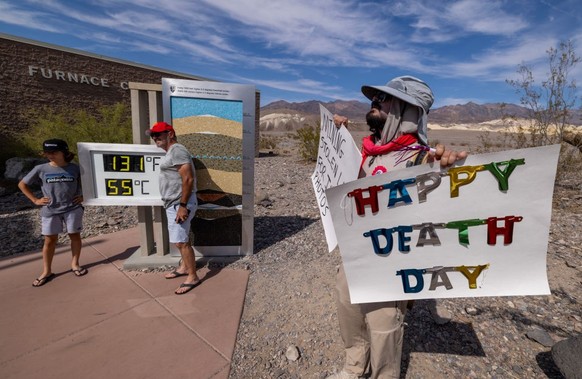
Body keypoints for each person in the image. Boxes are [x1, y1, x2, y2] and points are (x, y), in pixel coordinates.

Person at [328, 76, 467, 379]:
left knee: (383, 325)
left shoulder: (420, 158)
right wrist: (335, 134)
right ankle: (354, 369)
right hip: (355, 253)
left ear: (407, 112)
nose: (374, 102)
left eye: (384, 99)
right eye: (375, 98)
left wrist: (448, 169)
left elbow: (443, 198)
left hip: (389, 261)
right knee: (349, 312)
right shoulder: (370, 150)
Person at [18, 139, 86, 287]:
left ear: (64, 152)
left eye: (54, 152)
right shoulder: (40, 169)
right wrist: (35, 200)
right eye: (47, 153)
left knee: (74, 236)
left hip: (72, 209)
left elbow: (90, 182)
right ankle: (47, 271)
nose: (50, 155)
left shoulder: (75, 168)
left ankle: (75, 264)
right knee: (50, 240)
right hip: (50, 210)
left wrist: (84, 197)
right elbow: (22, 184)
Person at [146, 121, 201, 295]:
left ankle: (192, 276)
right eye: (153, 135)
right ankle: (185, 267)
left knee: (181, 241)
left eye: (158, 134)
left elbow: (188, 179)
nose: (155, 138)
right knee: (180, 238)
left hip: (180, 203)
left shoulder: (177, 150)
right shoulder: (172, 152)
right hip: (174, 203)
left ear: (170, 134)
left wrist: (183, 206)